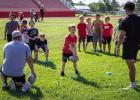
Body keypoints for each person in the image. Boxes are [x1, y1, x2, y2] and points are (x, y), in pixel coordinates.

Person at [117, 2, 140, 89]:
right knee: (132, 64)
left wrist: (117, 46)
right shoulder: (139, 18)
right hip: (136, 45)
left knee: (131, 66)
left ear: (126, 8)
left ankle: (132, 84)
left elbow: (121, 35)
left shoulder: (124, 19)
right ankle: (133, 80)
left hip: (128, 45)